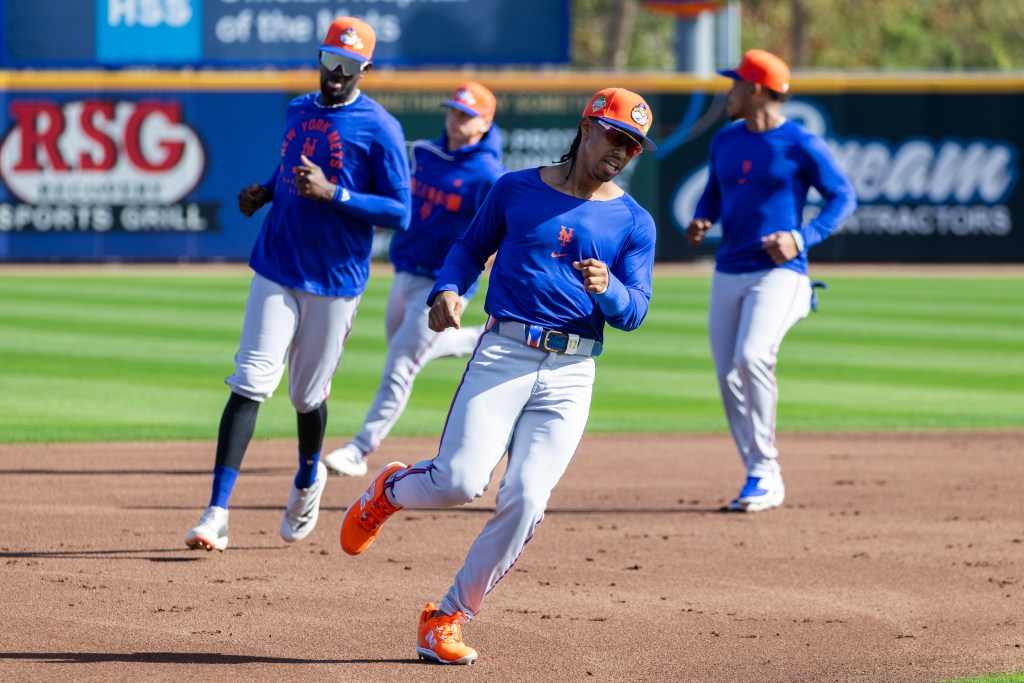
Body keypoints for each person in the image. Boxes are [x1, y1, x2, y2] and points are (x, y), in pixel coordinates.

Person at [337, 87, 657, 665]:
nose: (623, 150)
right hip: (504, 353)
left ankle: (447, 616)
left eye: (634, 144)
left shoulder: (633, 221)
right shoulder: (515, 188)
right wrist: (448, 289)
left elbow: (634, 311)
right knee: (458, 483)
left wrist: (608, 290)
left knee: (528, 497)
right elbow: (468, 248)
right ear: (587, 128)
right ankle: (389, 490)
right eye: (616, 135)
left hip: (573, 370)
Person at [184, 17, 411, 551]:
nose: (336, 72)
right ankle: (216, 512)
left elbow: (400, 211)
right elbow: (286, 168)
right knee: (250, 380)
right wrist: (264, 192)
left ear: (365, 70)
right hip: (277, 264)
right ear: (319, 58)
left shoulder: (380, 127)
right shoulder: (298, 110)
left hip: (334, 281)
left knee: (307, 396)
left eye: (348, 64)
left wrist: (336, 194)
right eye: (330, 60)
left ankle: (310, 475)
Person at [685, 49, 857, 513]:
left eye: (735, 84)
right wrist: (704, 217)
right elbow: (714, 192)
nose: (729, 92)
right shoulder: (726, 141)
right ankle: (756, 471)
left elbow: (844, 196)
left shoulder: (799, 142)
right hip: (729, 269)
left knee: (751, 356)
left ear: (755, 89)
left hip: (780, 271)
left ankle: (765, 471)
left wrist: (803, 238)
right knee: (727, 375)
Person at [322, 82, 506, 478]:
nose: (455, 120)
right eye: (453, 111)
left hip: (442, 286)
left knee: (401, 364)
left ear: (485, 123)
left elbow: (500, 233)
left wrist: (479, 269)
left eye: (465, 114)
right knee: (403, 352)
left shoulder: (489, 175)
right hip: (405, 271)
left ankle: (360, 448)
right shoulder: (424, 152)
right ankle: (480, 338)